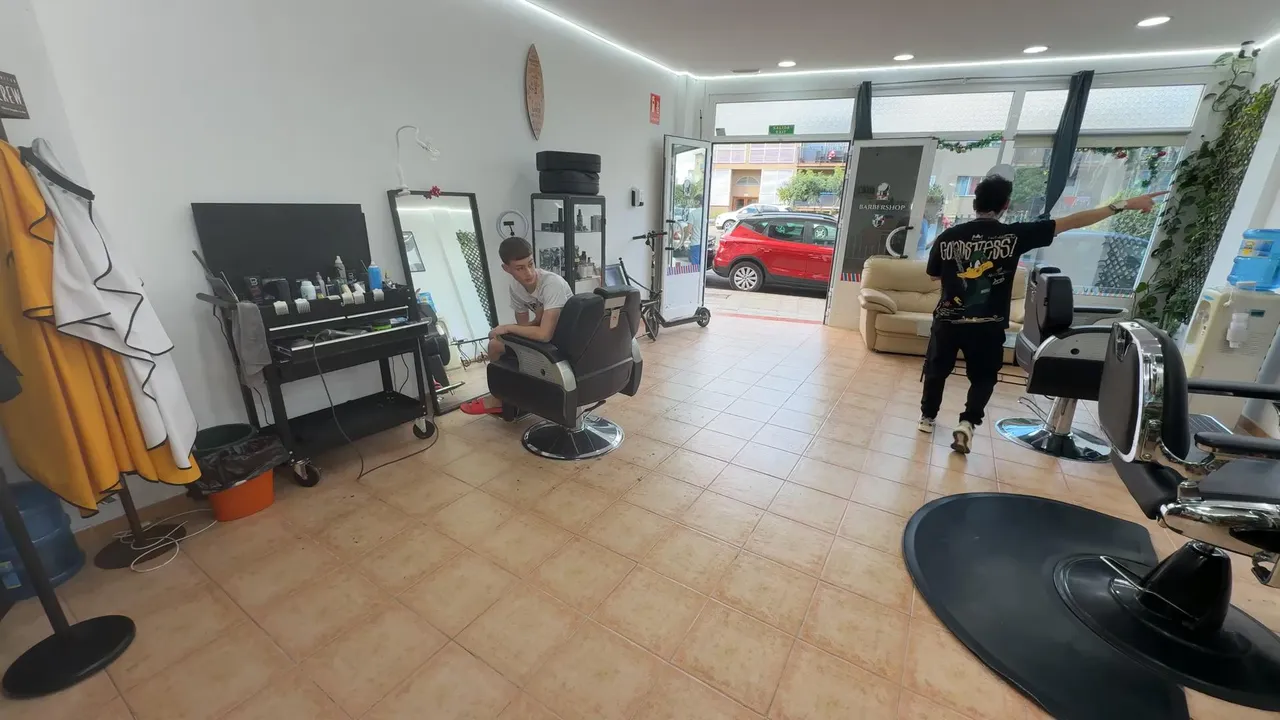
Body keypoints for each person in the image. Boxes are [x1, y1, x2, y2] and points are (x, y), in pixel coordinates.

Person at [918, 174, 1165, 453]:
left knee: (936, 370)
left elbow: (933, 276)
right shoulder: (1014, 236)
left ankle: (927, 417)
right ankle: (967, 423)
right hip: (988, 324)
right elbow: (1072, 221)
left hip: (948, 321)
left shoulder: (947, 237)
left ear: (975, 203)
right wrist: (1124, 204)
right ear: (1006, 204)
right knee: (984, 377)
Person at [460, 236, 573, 415]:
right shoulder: (516, 288)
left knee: (504, 336)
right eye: (520, 268)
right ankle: (501, 396)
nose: (529, 272)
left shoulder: (551, 283)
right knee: (495, 345)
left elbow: (544, 335)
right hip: (546, 338)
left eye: (530, 264)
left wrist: (507, 328)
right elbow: (524, 330)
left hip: (563, 341)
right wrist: (532, 323)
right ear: (506, 269)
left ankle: (507, 397)